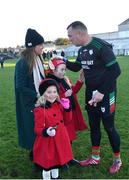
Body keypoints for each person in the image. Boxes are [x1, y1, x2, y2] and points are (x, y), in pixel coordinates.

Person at [66, 21, 122, 174]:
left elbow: (116, 71)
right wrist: (62, 61)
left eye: (70, 36)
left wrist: (102, 92)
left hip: (106, 94)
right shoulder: (82, 50)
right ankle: (95, 157)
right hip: (90, 94)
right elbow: (77, 67)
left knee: (109, 127)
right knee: (94, 125)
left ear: (79, 34)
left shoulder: (101, 46)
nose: (69, 39)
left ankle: (117, 159)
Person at [46, 56, 88, 165]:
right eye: (61, 70)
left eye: (65, 70)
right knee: (61, 138)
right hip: (58, 115)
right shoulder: (49, 81)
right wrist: (64, 94)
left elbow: (73, 91)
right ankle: (61, 159)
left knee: (69, 136)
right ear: (53, 70)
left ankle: (68, 158)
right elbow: (50, 98)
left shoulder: (64, 79)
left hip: (68, 112)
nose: (63, 72)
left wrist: (80, 81)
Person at [33, 78, 73, 179]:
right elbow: (37, 129)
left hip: (60, 138)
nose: (52, 95)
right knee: (47, 166)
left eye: (55, 92)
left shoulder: (58, 105)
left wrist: (67, 108)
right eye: (49, 92)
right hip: (48, 143)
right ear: (43, 93)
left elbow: (67, 121)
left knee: (57, 162)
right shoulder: (40, 110)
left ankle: (56, 177)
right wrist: (46, 131)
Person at [14, 28, 45, 160]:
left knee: (40, 127)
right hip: (29, 103)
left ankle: (39, 153)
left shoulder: (38, 59)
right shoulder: (22, 63)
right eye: (40, 45)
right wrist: (37, 95)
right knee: (32, 129)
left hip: (39, 100)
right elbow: (20, 86)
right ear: (33, 46)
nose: (43, 47)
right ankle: (35, 155)